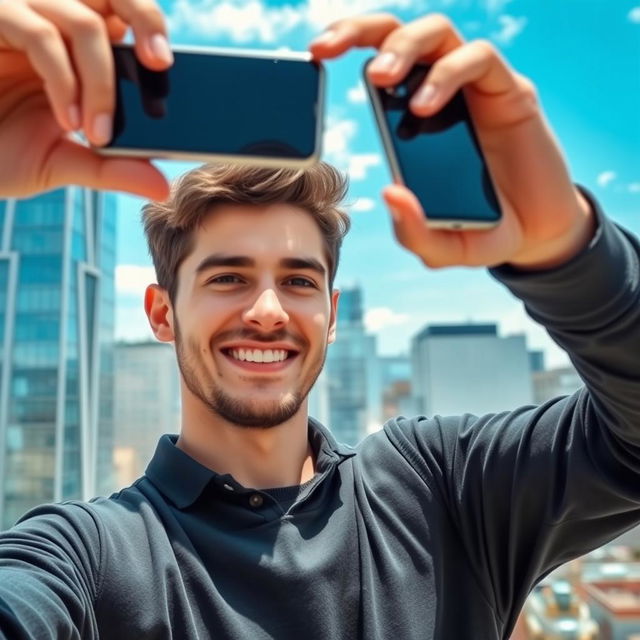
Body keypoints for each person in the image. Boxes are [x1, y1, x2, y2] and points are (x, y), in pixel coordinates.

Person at [0, 2, 638, 639]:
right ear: (162, 313)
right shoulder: (88, 554)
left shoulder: (440, 486)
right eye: (228, 277)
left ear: (331, 316)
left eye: (299, 281)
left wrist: (567, 248)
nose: (268, 311)